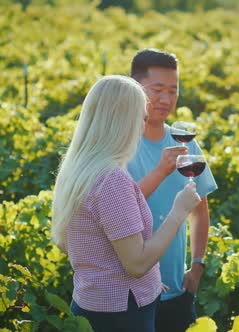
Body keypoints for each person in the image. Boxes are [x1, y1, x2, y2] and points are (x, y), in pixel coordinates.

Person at [50, 75, 201, 332]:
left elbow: (69, 243)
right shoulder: (112, 180)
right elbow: (137, 264)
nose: (143, 127)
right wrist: (180, 211)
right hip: (122, 315)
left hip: (91, 304)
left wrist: (150, 284)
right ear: (123, 121)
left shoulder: (78, 169)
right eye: (141, 119)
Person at [127, 49, 218, 332]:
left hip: (176, 289)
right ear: (135, 88)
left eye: (173, 91)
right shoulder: (120, 146)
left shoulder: (185, 145)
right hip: (130, 292)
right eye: (157, 90)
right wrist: (160, 171)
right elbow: (117, 208)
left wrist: (198, 264)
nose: (166, 100)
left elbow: (200, 209)